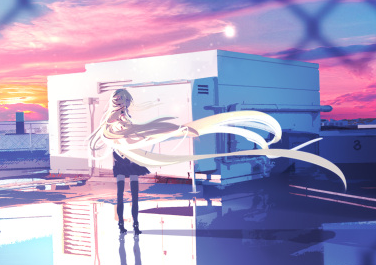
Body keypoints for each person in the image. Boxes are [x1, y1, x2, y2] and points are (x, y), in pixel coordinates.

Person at [87, 88, 346, 235]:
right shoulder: (112, 118)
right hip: (122, 158)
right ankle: (123, 225)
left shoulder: (127, 116)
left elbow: (139, 131)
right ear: (121, 101)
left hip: (130, 157)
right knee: (123, 193)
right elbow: (118, 134)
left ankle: (133, 225)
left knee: (133, 193)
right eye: (126, 101)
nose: (128, 105)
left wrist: (164, 131)